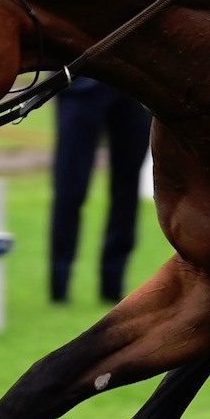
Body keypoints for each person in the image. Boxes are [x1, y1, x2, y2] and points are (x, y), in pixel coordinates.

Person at [49, 75, 152, 304]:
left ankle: (113, 284)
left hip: (133, 88)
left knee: (127, 192)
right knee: (69, 189)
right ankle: (59, 283)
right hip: (79, 83)